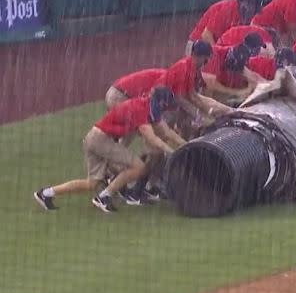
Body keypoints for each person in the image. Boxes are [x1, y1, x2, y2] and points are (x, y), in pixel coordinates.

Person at [33, 87, 185, 213]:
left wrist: (185, 144)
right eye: (165, 106)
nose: (165, 110)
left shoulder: (147, 105)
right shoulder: (141, 108)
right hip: (101, 139)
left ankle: (46, 193)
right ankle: (104, 197)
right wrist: (172, 151)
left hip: (94, 138)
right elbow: (152, 139)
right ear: (159, 102)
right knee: (140, 167)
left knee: (91, 184)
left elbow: (166, 131)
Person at [155, 40, 234, 139]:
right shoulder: (184, 68)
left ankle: (184, 143)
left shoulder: (192, 67)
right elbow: (180, 98)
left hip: (172, 102)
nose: (207, 62)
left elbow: (193, 96)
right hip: (162, 104)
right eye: (207, 58)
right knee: (162, 138)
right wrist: (199, 117)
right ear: (201, 57)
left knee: (188, 122)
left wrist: (211, 112)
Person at [186, 0, 260, 55]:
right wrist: (217, 55)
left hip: (215, 47)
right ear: (241, 4)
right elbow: (206, 35)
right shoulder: (226, 9)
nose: (251, 13)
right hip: (197, 46)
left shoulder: (246, 16)